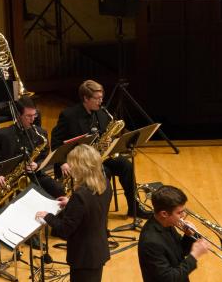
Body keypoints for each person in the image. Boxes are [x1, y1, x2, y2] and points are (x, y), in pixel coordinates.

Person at [36, 145, 111, 282]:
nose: (68, 167)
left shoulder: (81, 195)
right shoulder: (103, 184)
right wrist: (71, 204)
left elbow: (64, 231)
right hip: (98, 248)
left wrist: (48, 217)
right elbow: (92, 209)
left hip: (84, 254)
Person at [51, 79, 151, 219]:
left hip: (99, 156)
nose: (101, 101)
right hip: (80, 160)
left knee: (126, 166)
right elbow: (55, 142)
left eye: (101, 97)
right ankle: (99, 213)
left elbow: (106, 134)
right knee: (105, 172)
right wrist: (62, 162)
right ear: (86, 98)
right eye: (97, 98)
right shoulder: (69, 115)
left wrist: (109, 140)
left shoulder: (102, 113)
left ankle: (134, 208)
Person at [0, 97, 64, 200]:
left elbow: (44, 154)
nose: (32, 119)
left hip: (33, 174)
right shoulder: (3, 134)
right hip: (10, 179)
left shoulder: (40, 133)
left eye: (34, 115)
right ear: (18, 116)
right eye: (28, 116)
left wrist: (37, 164)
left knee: (59, 190)